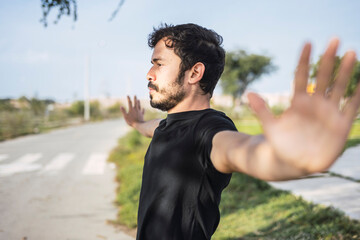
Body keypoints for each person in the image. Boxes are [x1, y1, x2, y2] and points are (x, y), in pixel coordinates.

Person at [120, 23, 360, 240]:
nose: (149, 74)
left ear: (194, 73)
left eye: (159, 64)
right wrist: (136, 124)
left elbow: (243, 150)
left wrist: (291, 159)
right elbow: (154, 129)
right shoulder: (167, 126)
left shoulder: (210, 130)